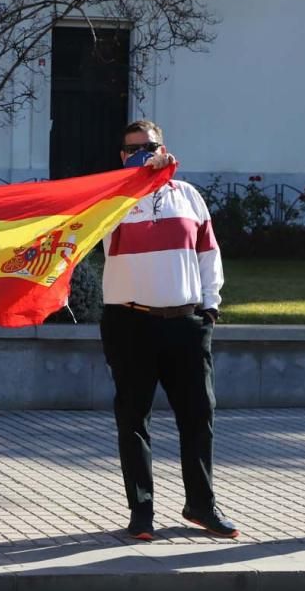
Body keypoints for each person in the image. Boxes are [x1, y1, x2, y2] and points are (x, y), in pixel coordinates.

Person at [99, 120, 238, 541]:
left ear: (165, 148)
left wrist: (209, 310)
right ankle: (141, 512)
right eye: (133, 149)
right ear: (122, 156)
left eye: (150, 146)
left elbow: (208, 255)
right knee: (133, 419)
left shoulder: (190, 197)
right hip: (129, 322)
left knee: (199, 417)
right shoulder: (110, 200)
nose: (142, 153)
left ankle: (201, 505)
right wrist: (133, 181)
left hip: (184, 322)